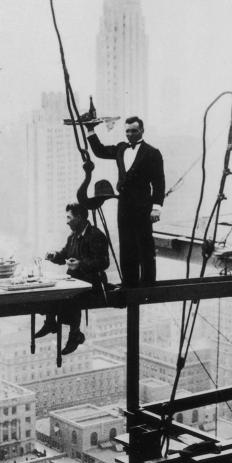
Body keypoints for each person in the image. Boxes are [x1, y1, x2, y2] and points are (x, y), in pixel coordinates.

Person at [85, 116, 164, 287]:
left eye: (134, 131)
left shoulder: (152, 153)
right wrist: (90, 130)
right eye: (127, 131)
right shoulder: (121, 148)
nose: (130, 134)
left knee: (144, 244)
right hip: (124, 205)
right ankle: (129, 283)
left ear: (142, 131)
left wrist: (156, 208)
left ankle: (148, 283)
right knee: (126, 243)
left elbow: (159, 182)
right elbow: (99, 151)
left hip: (143, 206)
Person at [35, 203, 110, 355]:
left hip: (92, 283)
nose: (67, 221)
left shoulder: (96, 236)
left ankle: (74, 334)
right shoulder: (73, 237)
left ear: (80, 218)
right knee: (54, 290)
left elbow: (104, 262)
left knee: (72, 297)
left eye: (69, 217)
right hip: (76, 280)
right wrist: (55, 256)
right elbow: (64, 255)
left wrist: (81, 264)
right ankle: (51, 323)